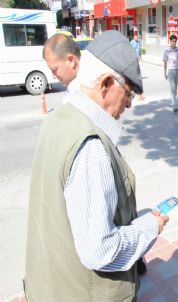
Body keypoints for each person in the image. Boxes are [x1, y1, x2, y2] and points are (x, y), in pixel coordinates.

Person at [24, 30, 168, 302]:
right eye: (127, 92)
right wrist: (150, 227)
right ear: (105, 85)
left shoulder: (59, 118)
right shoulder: (91, 147)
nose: (128, 103)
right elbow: (99, 250)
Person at [163, 34, 178, 113]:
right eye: (173, 41)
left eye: (175, 41)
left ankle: (172, 101)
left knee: (175, 87)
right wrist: (164, 73)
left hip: (177, 70)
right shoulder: (166, 51)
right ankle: (174, 105)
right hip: (170, 70)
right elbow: (165, 62)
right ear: (170, 41)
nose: (174, 43)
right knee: (172, 87)